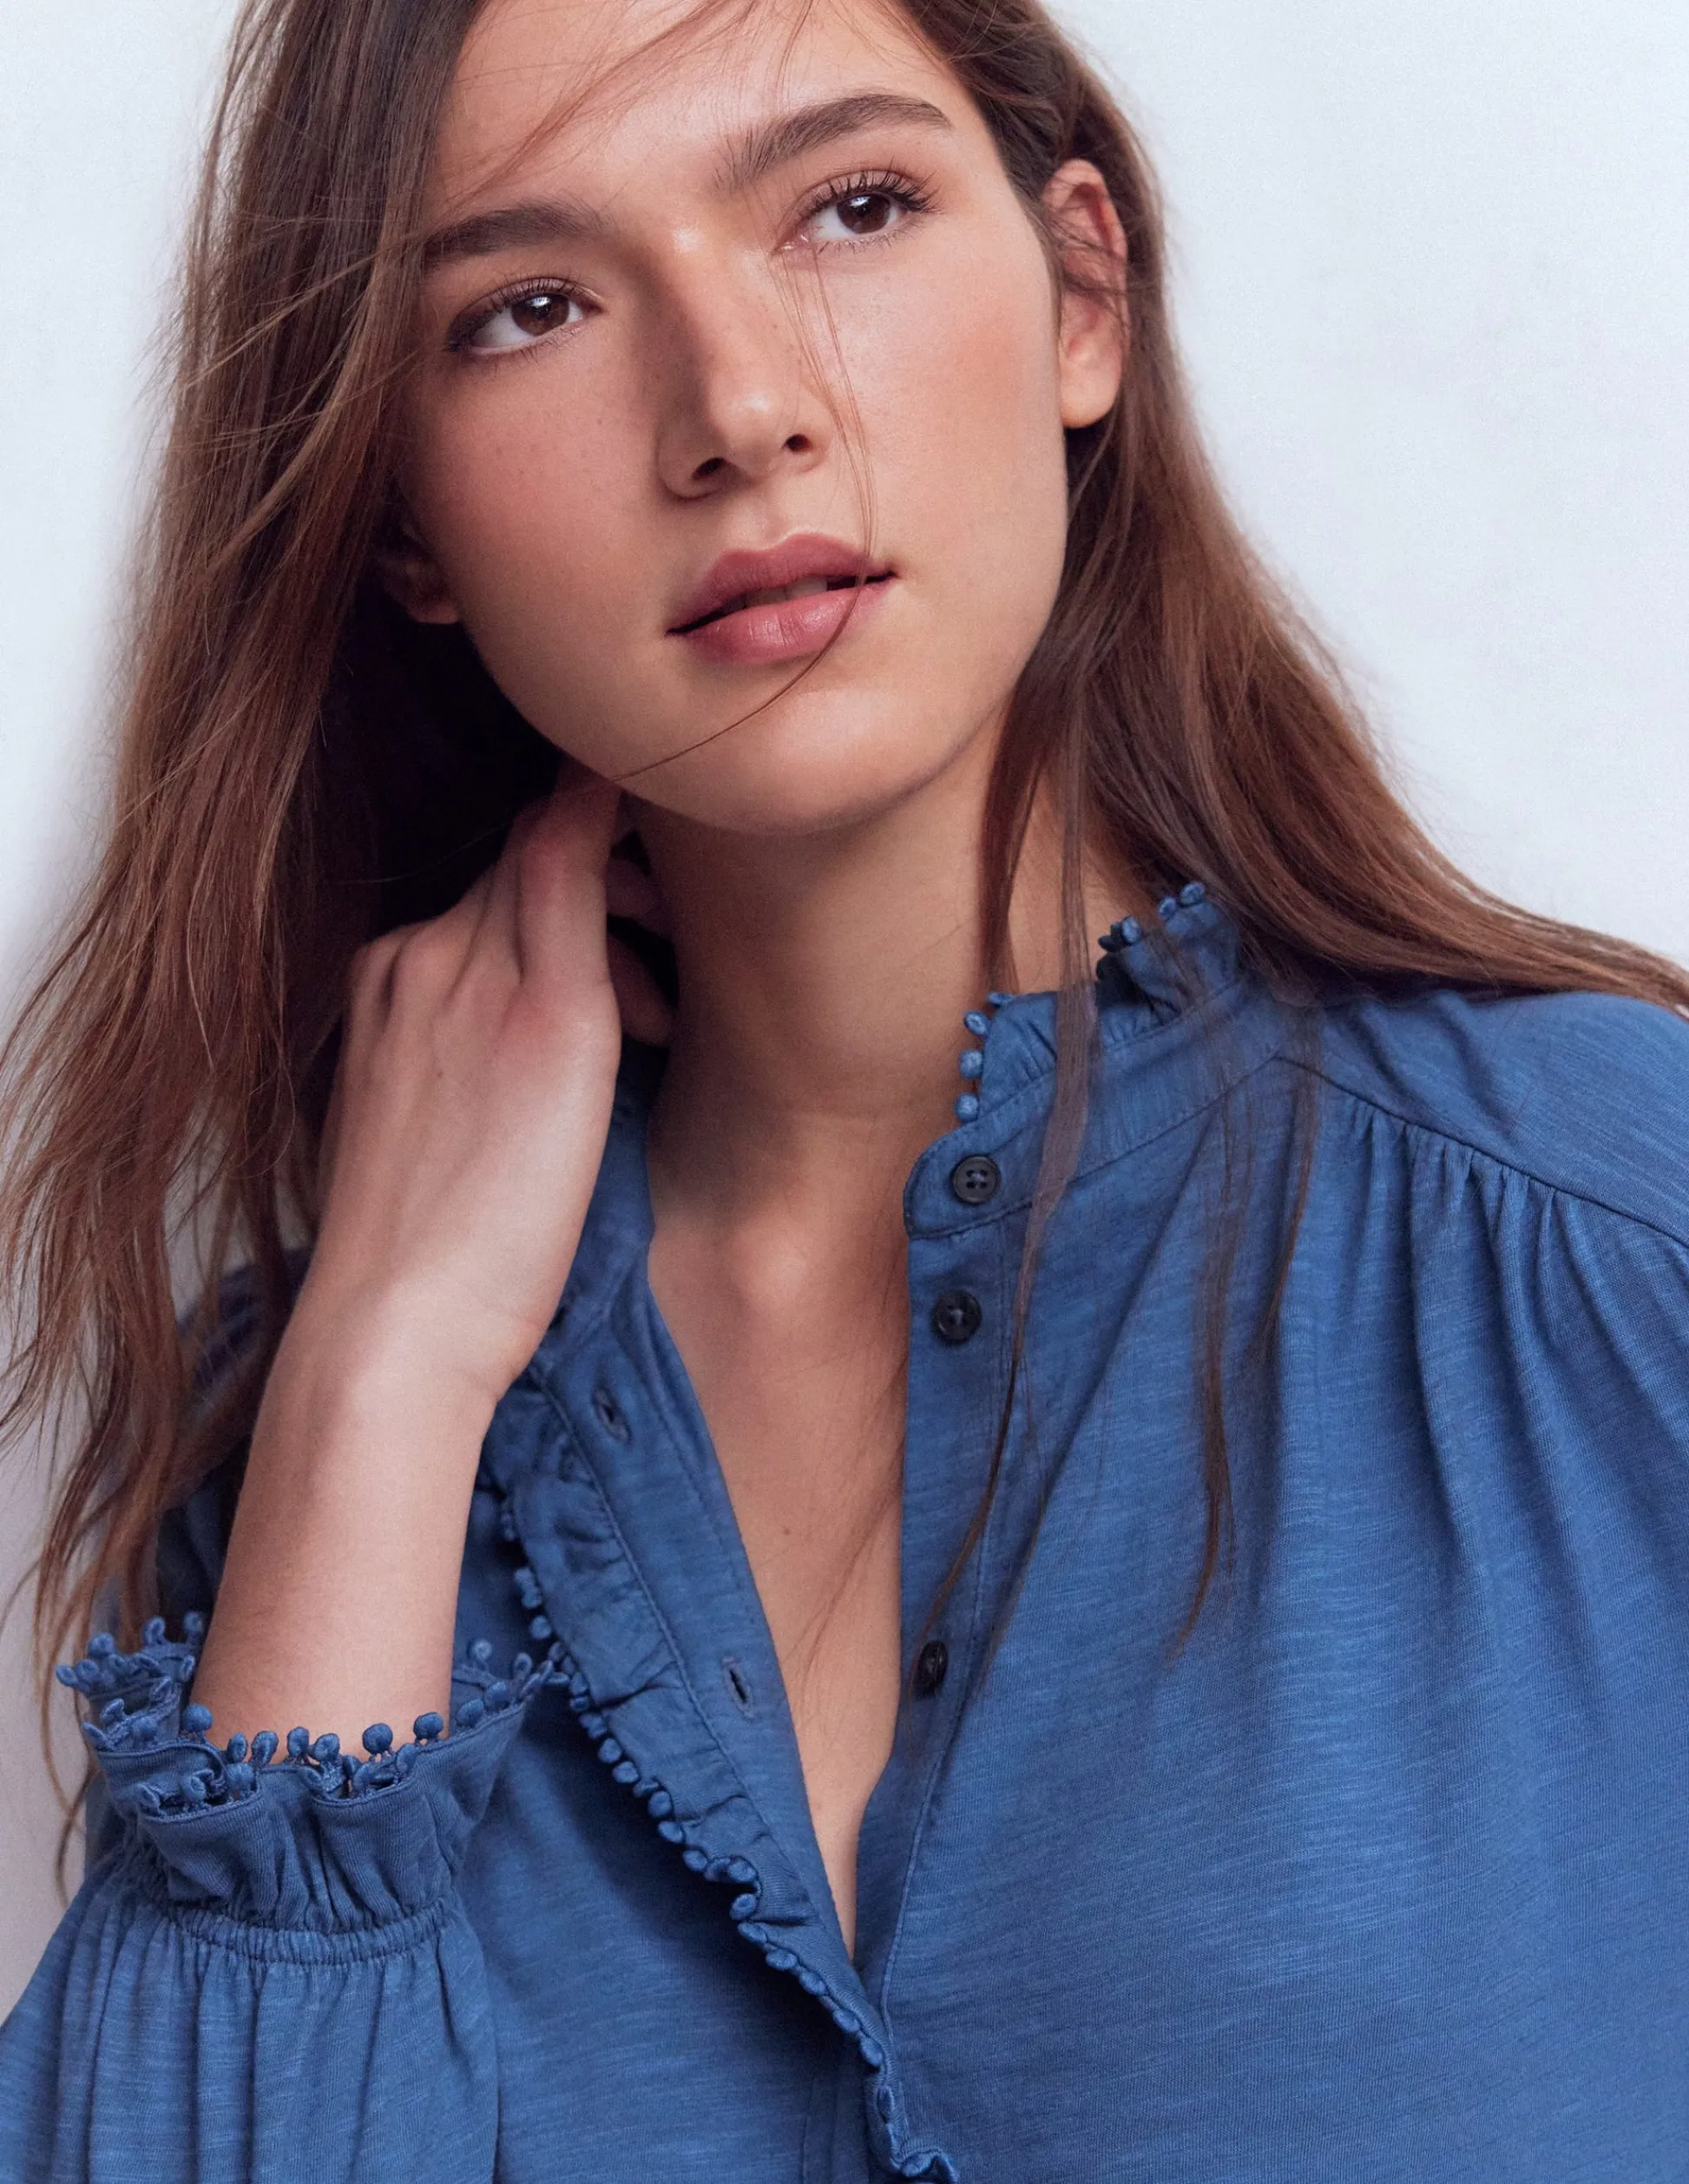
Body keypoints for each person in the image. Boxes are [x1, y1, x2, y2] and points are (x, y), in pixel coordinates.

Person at [3, 0, 1688, 2174]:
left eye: (853, 208)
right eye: (527, 309)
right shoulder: (317, 1471)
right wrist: (385, 1368)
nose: (737, 410)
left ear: (1081, 295)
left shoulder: (1605, 1234)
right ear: (401, 519)